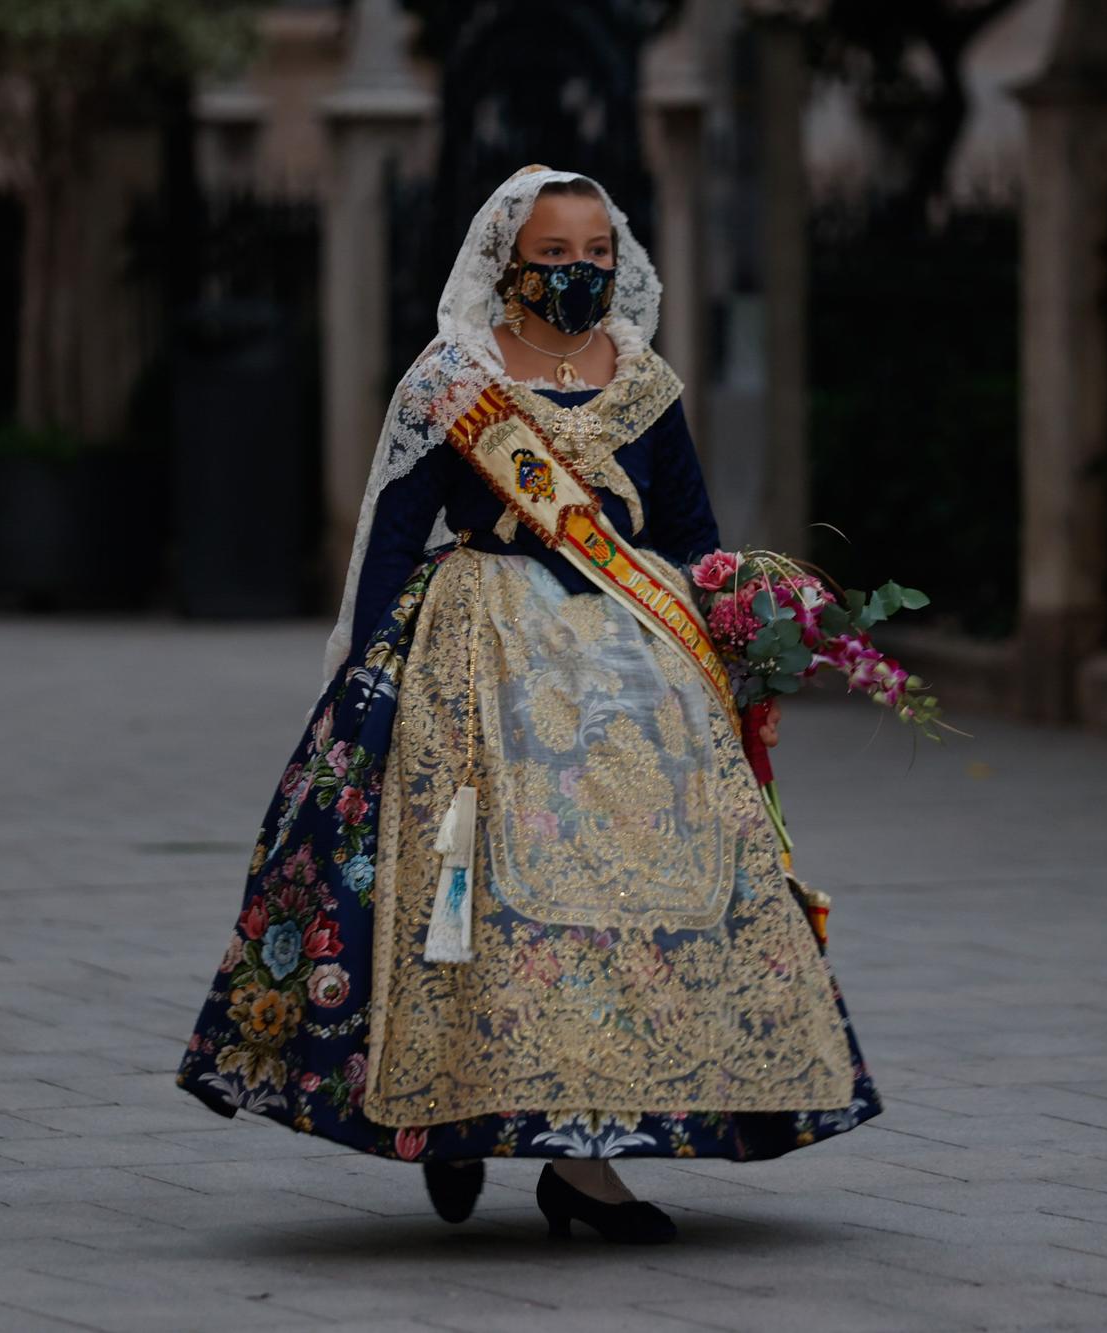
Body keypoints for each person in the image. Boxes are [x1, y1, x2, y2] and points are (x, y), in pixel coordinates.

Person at [176, 166, 880, 1244]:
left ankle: (586, 1168)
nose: (580, 273)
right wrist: (361, 685)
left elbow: (688, 540)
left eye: (597, 254)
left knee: (621, 906)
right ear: (509, 263)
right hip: (478, 657)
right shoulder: (454, 382)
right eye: (557, 257)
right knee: (471, 902)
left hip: (632, 682)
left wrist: (742, 618)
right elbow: (393, 538)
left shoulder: (643, 381)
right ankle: (452, 1117)